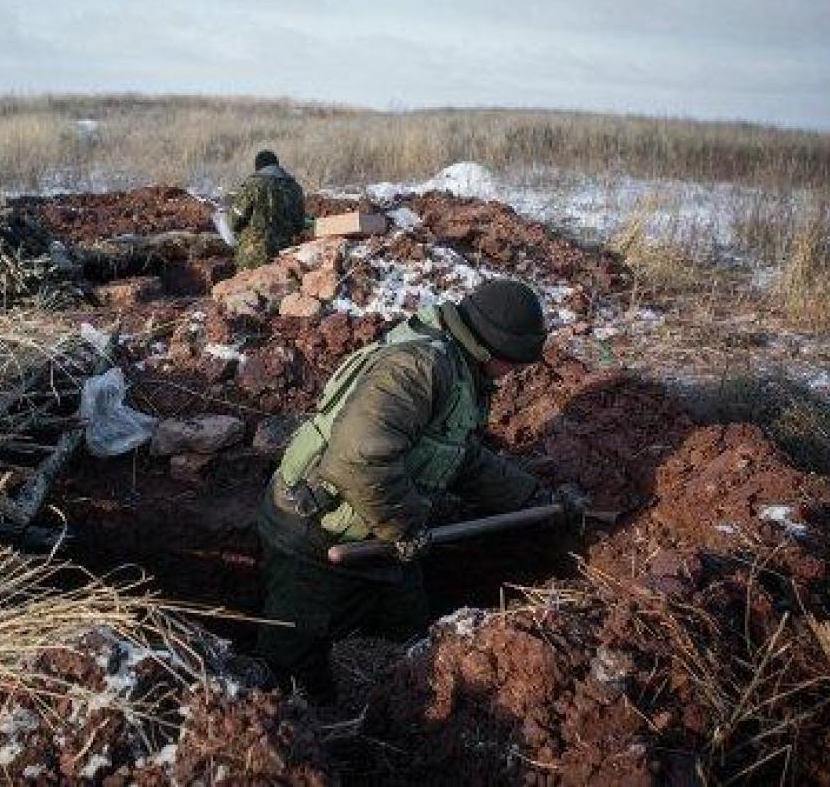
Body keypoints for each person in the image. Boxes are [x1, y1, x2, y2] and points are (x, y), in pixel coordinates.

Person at [256, 279, 580, 703]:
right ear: (493, 349)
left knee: (413, 634)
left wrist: (533, 498)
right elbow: (357, 459)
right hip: (316, 535)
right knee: (293, 662)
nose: (513, 374)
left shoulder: (464, 368)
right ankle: (291, 723)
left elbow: (460, 457)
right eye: (513, 364)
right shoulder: (418, 367)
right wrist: (405, 527)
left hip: (382, 538)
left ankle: (403, 715)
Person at [229, 150, 306, 270]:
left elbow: (235, 220)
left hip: (253, 254)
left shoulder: (252, 185)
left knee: (249, 282)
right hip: (284, 254)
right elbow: (300, 224)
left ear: (258, 167)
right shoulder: (294, 188)